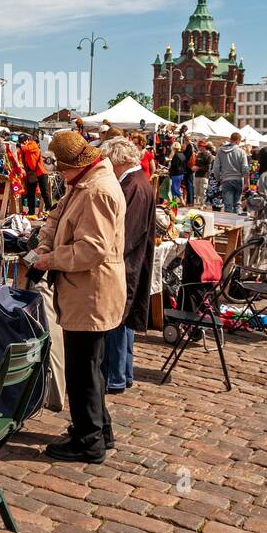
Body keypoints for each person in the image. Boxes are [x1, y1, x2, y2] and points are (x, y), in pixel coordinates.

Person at [32, 130, 125, 463]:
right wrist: (45, 243)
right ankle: (100, 428)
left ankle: (89, 441)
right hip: (84, 291)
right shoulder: (83, 183)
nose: (60, 176)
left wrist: (50, 259)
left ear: (76, 165)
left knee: (82, 369)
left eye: (63, 169)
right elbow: (57, 216)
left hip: (91, 292)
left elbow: (92, 249)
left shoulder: (98, 190)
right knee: (90, 366)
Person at [99, 137, 155, 394]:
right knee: (124, 321)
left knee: (118, 321)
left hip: (127, 263)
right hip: (131, 261)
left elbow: (127, 233)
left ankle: (116, 376)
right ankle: (123, 373)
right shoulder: (136, 181)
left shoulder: (133, 185)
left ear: (118, 160)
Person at [211, 133, 249, 214]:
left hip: (226, 179)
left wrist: (218, 178)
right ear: (238, 141)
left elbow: (216, 167)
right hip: (238, 179)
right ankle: (238, 224)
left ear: (230, 139)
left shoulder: (220, 151)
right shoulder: (241, 152)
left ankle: (229, 224)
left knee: (228, 205)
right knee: (237, 204)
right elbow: (245, 168)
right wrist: (246, 181)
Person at [18, 133, 53, 215]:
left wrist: (20, 145)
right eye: (21, 141)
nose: (23, 142)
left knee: (44, 191)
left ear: (28, 139)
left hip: (41, 171)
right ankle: (31, 211)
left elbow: (26, 149)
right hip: (32, 173)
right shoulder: (24, 148)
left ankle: (49, 209)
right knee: (30, 192)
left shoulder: (33, 144)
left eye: (24, 140)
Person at [193, 140, 213, 205]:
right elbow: (196, 163)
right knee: (197, 191)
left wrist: (198, 168)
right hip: (197, 175)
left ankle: (202, 204)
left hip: (204, 176)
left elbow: (208, 167)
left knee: (203, 191)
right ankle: (198, 203)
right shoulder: (198, 154)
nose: (198, 148)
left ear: (204, 147)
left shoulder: (209, 155)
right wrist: (194, 167)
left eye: (199, 146)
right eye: (198, 146)